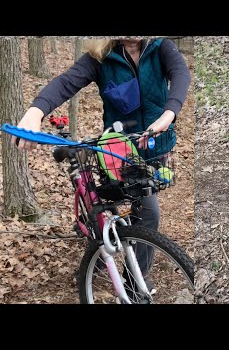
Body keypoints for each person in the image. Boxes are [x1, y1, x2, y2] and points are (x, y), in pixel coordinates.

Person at [11, 38, 191, 295]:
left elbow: (181, 74)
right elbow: (65, 83)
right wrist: (35, 112)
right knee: (104, 208)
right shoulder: (102, 56)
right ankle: (96, 259)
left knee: (148, 213)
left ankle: (134, 281)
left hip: (153, 146)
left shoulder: (161, 47)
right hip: (116, 150)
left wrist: (169, 113)